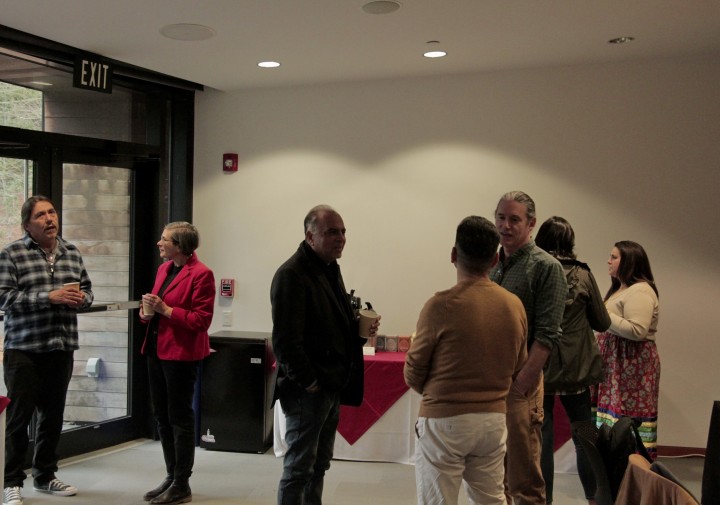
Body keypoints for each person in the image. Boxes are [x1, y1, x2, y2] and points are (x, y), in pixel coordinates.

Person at [404, 216, 528, 505]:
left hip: (443, 421)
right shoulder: (514, 306)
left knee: (438, 500)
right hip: (493, 419)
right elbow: (517, 365)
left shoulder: (440, 305)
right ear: (495, 259)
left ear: (453, 255)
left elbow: (413, 373)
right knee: (491, 499)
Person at [271, 204, 379, 505]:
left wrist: (358, 327)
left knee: (319, 465)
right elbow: (285, 342)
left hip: (330, 385)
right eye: (332, 232)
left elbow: (325, 325)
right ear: (310, 236)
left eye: (343, 231)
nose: (341, 238)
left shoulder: (329, 268)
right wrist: (309, 382)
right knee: (298, 470)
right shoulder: (292, 274)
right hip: (309, 390)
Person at [0, 195, 94, 505]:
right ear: (28, 224)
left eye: (52, 212)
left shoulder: (71, 252)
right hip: (23, 348)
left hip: (61, 346)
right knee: (18, 418)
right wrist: (47, 297)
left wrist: (83, 299)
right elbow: (4, 299)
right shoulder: (12, 254)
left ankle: (45, 476)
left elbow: (88, 291)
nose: (49, 219)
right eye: (41, 215)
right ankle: (11, 482)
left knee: (52, 416)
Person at [489, 191, 567, 505]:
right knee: (498, 474)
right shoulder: (494, 265)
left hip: (522, 385)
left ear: (531, 224)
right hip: (493, 382)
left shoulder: (546, 268)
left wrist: (522, 385)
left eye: (514, 220)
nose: (505, 226)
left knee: (524, 480)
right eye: (500, 218)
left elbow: (547, 336)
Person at [535, 216, 610, 505]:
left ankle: (544, 500)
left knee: (542, 437)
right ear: (570, 243)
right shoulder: (584, 274)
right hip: (578, 373)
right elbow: (602, 322)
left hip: (540, 368)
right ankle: (596, 497)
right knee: (586, 436)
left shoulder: (536, 271)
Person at [139, 222, 215, 505]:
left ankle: (182, 482)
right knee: (161, 415)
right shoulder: (164, 269)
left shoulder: (202, 274)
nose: (159, 243)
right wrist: (147, 314)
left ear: (180, 246)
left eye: (164, 239)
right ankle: (171, 475)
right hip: (156, 351)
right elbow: (154, 307)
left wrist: (166, 310)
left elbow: (201, 320)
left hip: (182, 355)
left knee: (180, 419)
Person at [594, 240, 660, 460]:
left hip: (631, 367)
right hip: (617, 365)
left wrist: (602, 316)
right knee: (613, 420)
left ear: (629, 261)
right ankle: (615, 470)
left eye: (614, 257)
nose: (608, 261)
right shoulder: (621, 289)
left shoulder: (640, 290)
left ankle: (633, 469)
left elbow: (637, 330)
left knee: (628, 419)